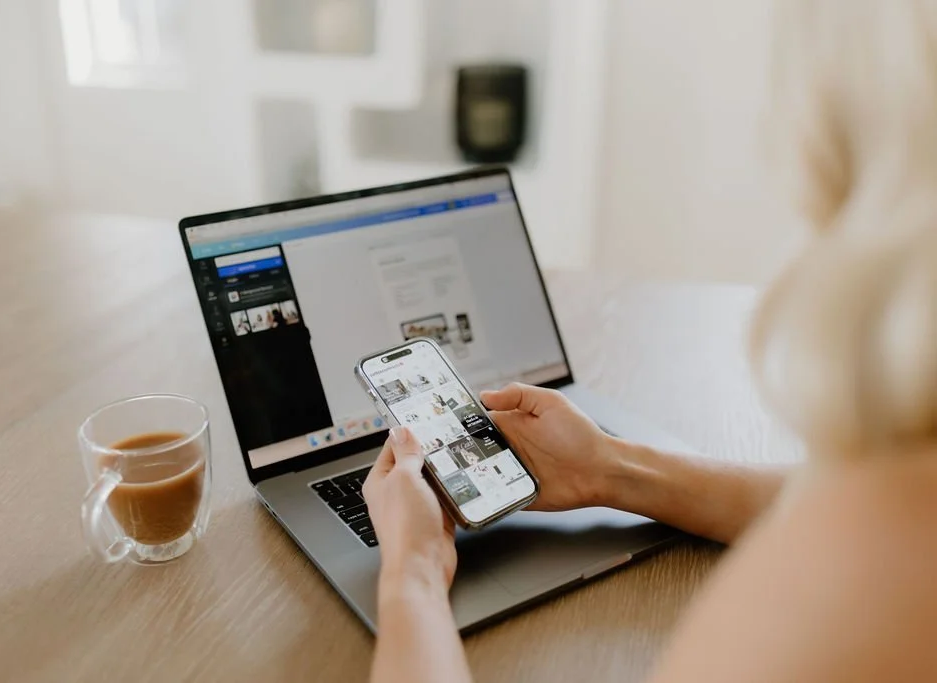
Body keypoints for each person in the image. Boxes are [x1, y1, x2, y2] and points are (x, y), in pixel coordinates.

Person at [361, 1, 937, 681]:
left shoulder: (839, 593)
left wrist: (414, 575)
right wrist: (608, 469)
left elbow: (856, 533)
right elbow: (819, 502)